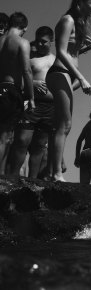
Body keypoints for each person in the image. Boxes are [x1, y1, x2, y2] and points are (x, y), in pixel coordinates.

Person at [46, 0, 91, 182]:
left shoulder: (77, 23)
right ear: (80, 2)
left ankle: (53, 171)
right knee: (64, 124)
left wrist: (83, 49)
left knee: (62, 125)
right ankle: (56, 172)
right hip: (60, 73)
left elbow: (70, 52)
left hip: (66, 74)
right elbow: (59, 52)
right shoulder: (67, 20)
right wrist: (82, 77)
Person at [8, 26, 56, 178]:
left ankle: (33, 182)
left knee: (39, 146)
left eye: (44, 42)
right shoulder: (30, 59)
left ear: (51, 41)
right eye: (38, 41)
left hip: (50, 107)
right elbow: (18, 81)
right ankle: (13, 178)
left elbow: (71, 82)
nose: (40, 44)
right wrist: (33, 83)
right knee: (22, 140)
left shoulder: (57, 60)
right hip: (31, 103)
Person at [0, 12, 34, 176]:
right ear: (24, 28)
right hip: (11, 90)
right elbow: (27, 71)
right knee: (5, 137)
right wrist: (31, 96)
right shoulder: (22, 42)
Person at [74, 106, 91, 185]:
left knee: (84, 185)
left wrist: (77, 157)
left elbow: (79, 140)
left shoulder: (88, 124)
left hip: (84, 153)